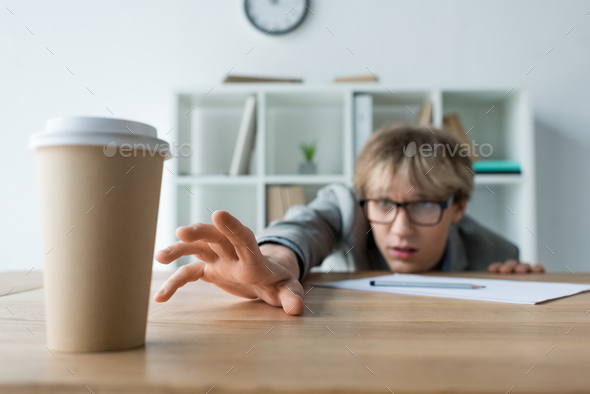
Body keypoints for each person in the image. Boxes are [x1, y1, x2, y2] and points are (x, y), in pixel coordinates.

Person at [153, 125, 544, 315]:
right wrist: (273, 263)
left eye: (424, 205)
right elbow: (302, 230)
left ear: (458, 206)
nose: (401, 229)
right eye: (385, 205)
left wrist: (523, 287)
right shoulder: (346, 206)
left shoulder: (496, 253)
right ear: (363, 202)